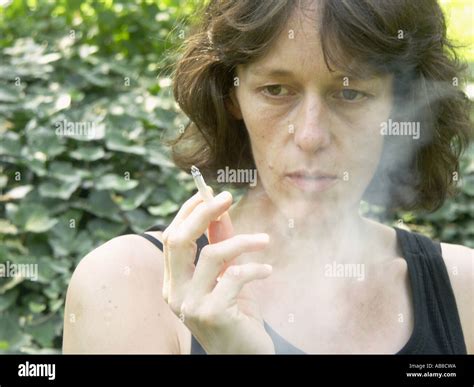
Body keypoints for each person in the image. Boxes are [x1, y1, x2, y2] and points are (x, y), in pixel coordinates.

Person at [62, 0, 473, 354]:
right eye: (276, 90)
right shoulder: (126, 286)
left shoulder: (463, 289)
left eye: (349, 93)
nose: (310, 136)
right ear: (231, 97)